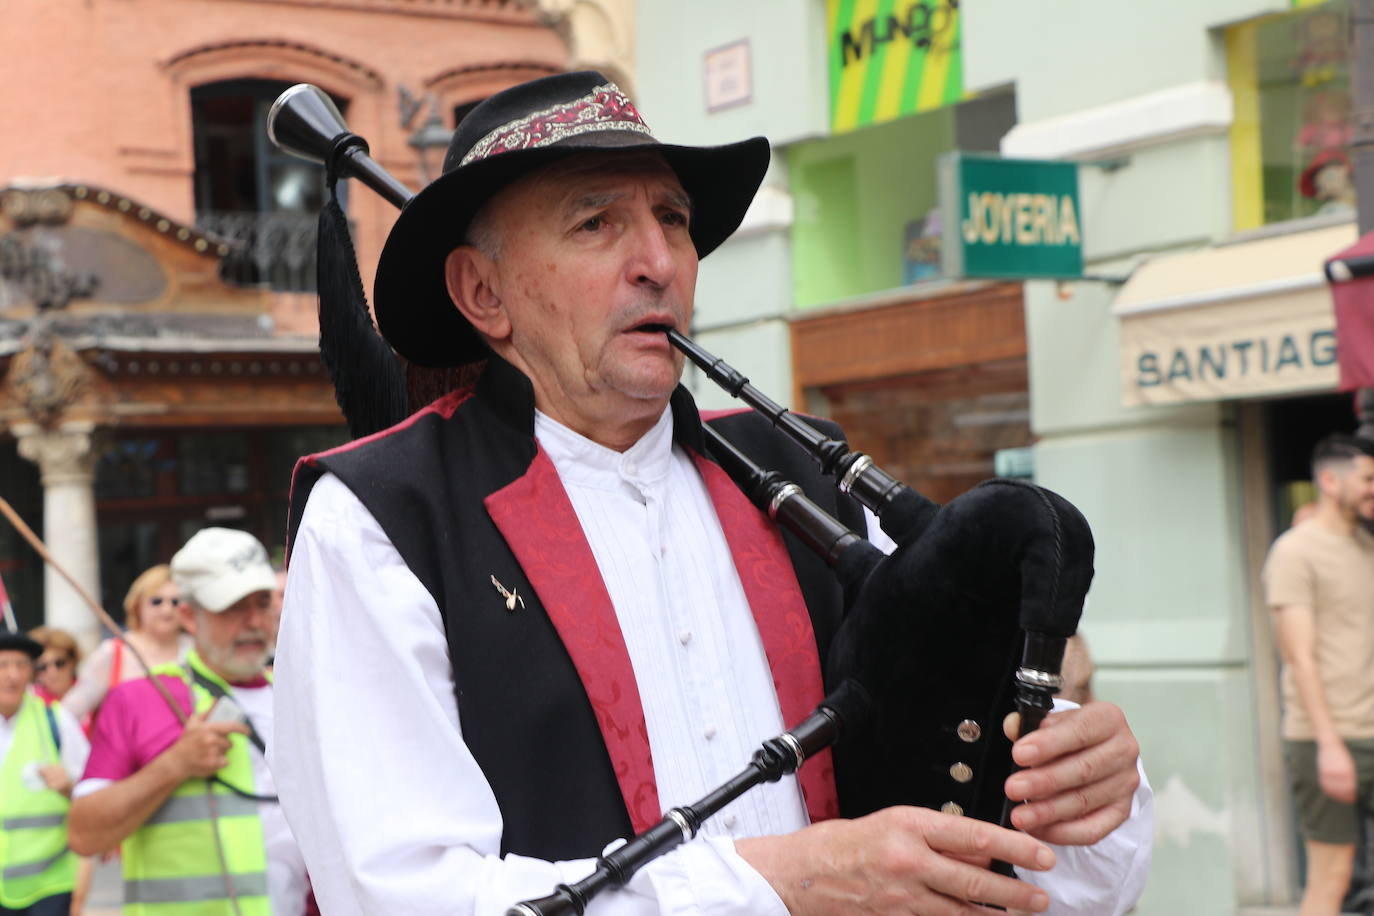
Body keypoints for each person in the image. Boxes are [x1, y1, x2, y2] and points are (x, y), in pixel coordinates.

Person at [275, 71, 1152, 915]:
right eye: (596, 223)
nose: (659, 262)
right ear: (483, 293)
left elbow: (1009, 856)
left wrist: (1085, 794)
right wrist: (781, 886)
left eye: (674, 219)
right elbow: (404, 896)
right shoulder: (383, 522)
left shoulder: (807, 482)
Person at [68, 528, 308, 915]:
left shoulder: (301, 697)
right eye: (231, 605)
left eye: (262, 602)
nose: (252, 621)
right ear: (188, 616)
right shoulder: (138, 699)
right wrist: (175, 765)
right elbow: (84, 833)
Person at [1264, 434, 1374, 916]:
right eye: (1368, 479)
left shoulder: (1366, 546)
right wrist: (1330, 745)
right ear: (1329, 481)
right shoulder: (1295, 551)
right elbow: (1299, 655)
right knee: (1331, 882)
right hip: (1328, 740)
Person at [0, 630, 90, 915]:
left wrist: (70, 785)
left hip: (49, 886)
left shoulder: (56, 720)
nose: (12, 675)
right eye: (2, 665)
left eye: (21, 665)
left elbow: (95, 794)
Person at [62, 566, 191, 721]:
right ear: (137, 605)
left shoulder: (196, 650)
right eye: (157, 601)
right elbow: (69, 713)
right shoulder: (114, 652)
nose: (167, 609)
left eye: (175, 602)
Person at [26, 627, 80, 704]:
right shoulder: (30, 701)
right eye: (42, 667)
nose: (52, 672)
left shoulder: (93, 692)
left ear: (73, 661)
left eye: (59, 663)